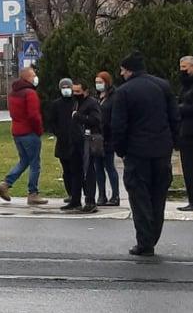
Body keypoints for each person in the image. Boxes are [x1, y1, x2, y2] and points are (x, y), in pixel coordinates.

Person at [111, 51, 180, 257]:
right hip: (161, 151)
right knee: (158, 196)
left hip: (137, 152)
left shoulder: (124, 92)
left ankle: (145, 241)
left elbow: (118, 126)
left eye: (123, 70)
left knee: (139, 197)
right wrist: (173, 143)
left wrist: (121, 150)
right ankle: (153, 236)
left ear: (129, 70)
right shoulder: (163, 86)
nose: (121, 74)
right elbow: (174, 118)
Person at [0, 67, 47, 205]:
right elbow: (34, 115)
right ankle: (33, 193)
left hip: (17, 131)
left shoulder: (13, 93)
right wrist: (39, 130)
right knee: (35, 163)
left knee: (24, 160)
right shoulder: (30, 93)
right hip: (29, 132)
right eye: (33, 75)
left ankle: (6, 183)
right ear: (27, 78)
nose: (35, 78)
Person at [68, 79, 102, 213]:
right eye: (74, 91)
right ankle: (75, 199)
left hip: (87, 140)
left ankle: (90, 200)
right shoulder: (76, 102)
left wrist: (78, 116)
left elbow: (96, 120)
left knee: (88, 171)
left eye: (78, 91)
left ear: (86, 91)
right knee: (75, 171)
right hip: (76, 140)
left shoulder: (91, 103)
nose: (75, 93)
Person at [46, 78, 77, 202]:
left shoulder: (76, 102)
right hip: (63, 141)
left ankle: (77, 192)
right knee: (66, 170)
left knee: (76, 169)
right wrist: (58, 132)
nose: (65, 90)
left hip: (75, 141)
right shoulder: (56, 104)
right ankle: (70, 193)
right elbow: (51, 122)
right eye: (63, 87)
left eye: (67, 87)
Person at [95, 71, 120, 206]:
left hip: (108, 137)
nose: (98, 85)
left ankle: (115, 195)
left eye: (100, 82)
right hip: (97, 136)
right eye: (97, 82)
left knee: (109, 166)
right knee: (98, 167)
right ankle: (102, 195)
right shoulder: (99, 96)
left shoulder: (113, 97)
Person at [177, 57, 193, 212]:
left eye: (185, 67)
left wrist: (179, 109)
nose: (182, 70)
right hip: (185, 132)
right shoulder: (184, 86)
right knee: (187, 169)